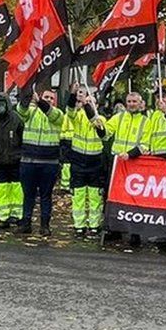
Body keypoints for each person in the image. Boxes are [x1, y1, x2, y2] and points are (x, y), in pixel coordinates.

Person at [16, 89, 64, 236]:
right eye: (46, 97)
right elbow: (21, 111)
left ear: (54, 101)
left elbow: (51, 114)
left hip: (49, 162)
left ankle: (45, 225)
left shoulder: (58, 114)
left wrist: (39, 101)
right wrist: (26, 96)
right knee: (28, 194)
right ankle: (26, 223)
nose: (48, 99)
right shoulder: (31, 112)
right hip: (28, 161)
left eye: (51, 98)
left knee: (46, 195)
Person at [66, 84, 106, 237]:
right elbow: (69, 111)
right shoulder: (77, 116)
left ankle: (94, 225)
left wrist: (87, 106)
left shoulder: (100, 118)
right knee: (79, 196)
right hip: (78, 161)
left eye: (91, 102)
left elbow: (98, 126)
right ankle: (79, 225)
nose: (86, 104)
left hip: (95, 162)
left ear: (95, 104)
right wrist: (73, 95)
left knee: (95, 196)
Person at [0, 92, 24, 229]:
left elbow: (22, 137)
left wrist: (20, 154)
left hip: (15, 160)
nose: (0, 107)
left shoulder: (16, 119)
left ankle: (17, 215)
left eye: (2, 104)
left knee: (16, 189)